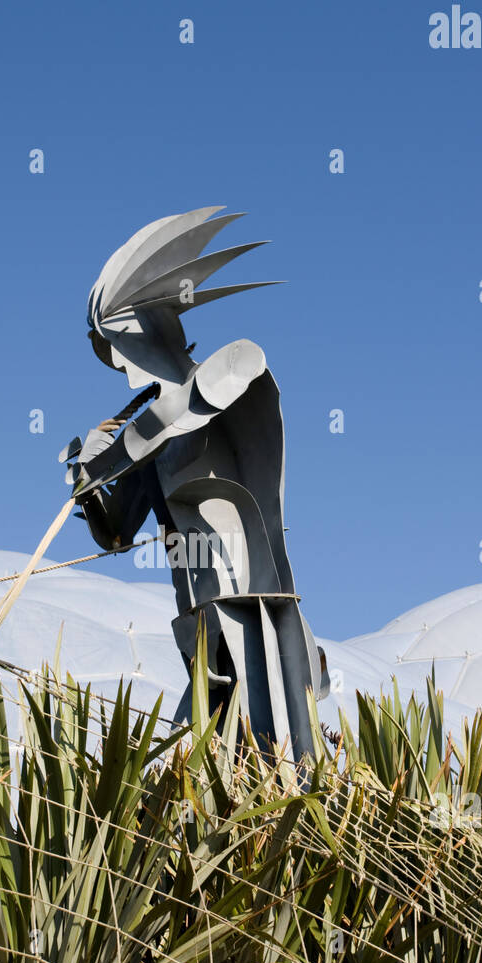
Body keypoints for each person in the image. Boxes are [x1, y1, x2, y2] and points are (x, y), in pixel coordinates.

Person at [61, 206, 328, 760]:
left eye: (122, 346)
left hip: (255, 605)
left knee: (280, 749)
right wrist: (84, 485)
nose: (126, 370)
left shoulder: (224, 375)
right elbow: (115, 536)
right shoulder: (149, 443)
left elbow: (187, 406)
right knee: (205, 758)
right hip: (200, 622)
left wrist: (103, 460)